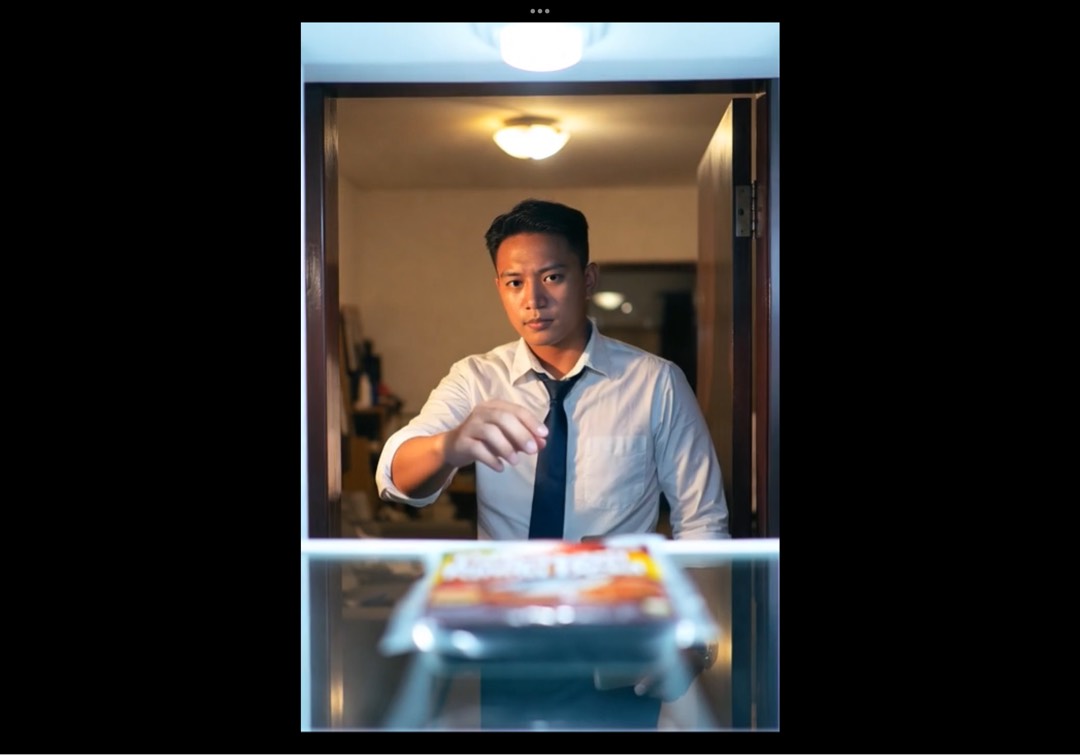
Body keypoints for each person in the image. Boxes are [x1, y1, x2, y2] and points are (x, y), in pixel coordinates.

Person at [376, 198, 729, 729]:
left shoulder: (656, 383)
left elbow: (702, 521)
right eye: (514, 282)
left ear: (588, 279)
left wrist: (695, 641)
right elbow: (394, 477)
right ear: (498, 286)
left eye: (552, 277)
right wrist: (450, 446)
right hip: (505, 639)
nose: (533, 300)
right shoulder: (475, 379)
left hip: (619, 646)